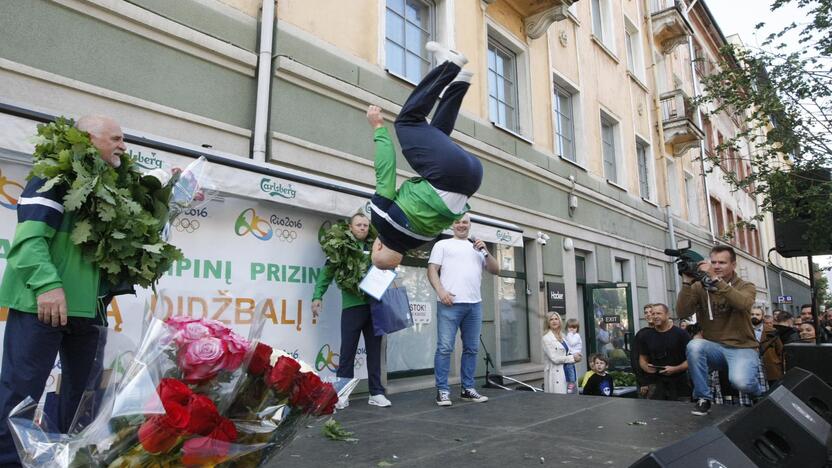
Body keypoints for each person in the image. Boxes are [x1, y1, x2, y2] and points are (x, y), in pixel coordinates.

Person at [0, 116, 136, 466]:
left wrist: (173, 190)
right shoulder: (53, 177)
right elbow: (29, 240)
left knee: (83, 399)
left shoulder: (108, 186)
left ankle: (68, 461)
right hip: (41, 304)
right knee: (19, 395)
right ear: (88, 139)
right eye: (116, 138)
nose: (123, 145)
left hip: (89, 310)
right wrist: (48, 285)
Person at [369, 43, 483, 271]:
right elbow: (386, 173)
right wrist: (379, 128)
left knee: (436, 135)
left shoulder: (421, 241)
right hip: (446, 173)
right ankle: (448, 65)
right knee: (408, 121)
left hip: (472, 177)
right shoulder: (381, 221)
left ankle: (460, 81)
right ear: (379, 247)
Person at [311, 212, 390, 408]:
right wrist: (317, 296)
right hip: (352, 307)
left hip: (375, 307)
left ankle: (376, 393)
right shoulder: (341, 247)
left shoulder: (376, 247)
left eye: (365, 225)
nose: (362, 228)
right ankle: (342, 394)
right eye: (359, 225)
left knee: (374, 352)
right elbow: (326, 272)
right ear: (351, 228)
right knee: (347, 352)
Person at [676, 245, 762, 416]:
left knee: (741, 383)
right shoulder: (699, 287)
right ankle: (703, 398)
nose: (716, 266)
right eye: (713, 262)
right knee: (694, 346)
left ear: (733, 265)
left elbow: (743, 304)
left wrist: (716, 279)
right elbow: (682, 312)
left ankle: (758, 393)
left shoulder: (746, 285)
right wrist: (687, 282)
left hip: (741, 347)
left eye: (722, 262)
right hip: (714, 347)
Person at [427, 214, 498, 406]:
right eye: (458, 221)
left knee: (472, 349)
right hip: (449, 304)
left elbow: (495, 269)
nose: (461, 225)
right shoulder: (442, 245)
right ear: (452, 224)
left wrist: (486, 251)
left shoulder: (477, 247)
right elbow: (432, 269)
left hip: (474, 305)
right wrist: (441, 291)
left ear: (469, 225)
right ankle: (442, 391)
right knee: (444, 348)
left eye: (465, 222)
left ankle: (468, 389)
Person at [637, 304, 691, 401]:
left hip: (680, 384)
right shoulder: (645, 336)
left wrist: (675, 369)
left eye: (659, 313)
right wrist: (649, 369)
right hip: (657, 385)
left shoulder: (681, 334)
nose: (655, 316)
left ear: (667, 315)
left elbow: (691, 359)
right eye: (653, 314)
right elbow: (642, 359)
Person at [542, 313, 582, 394]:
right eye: (551, 319)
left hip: (568, 371)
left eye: (556, 319)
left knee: (572, 398)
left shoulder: (563, 336)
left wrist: (577, 356)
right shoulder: (546, 338)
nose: (554, 321)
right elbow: (555, 358)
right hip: (556, 374)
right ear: (547, 322)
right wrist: (573, 358)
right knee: (560, 400)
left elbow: (569, 352)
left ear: (560, 321)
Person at [756, 306, 784, 386]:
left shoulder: (773, 332)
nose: (769, 325)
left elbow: (781, 351)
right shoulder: (749, 332)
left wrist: (781, 367)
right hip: (757, 371)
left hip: (773, 370)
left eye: (770, 323)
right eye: (766, 323)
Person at [632, 304, 655, 398]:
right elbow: (635, 358)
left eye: (651, 312)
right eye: (646, 313)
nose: (648, 314)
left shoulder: (664, 333)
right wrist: (643, 382)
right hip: (646, 381)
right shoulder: (641, 334)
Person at [564, 318, 583, 394]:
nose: (572, 329)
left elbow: (571, 343)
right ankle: (571, 382)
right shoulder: (569, 336)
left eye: (574, 327)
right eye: (570, 327)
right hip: (571, 354)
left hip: (574, 354)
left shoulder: (576, 336)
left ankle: (571, 383)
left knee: (570, 367)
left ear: (577, 328)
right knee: (569, 368)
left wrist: (569, 334)